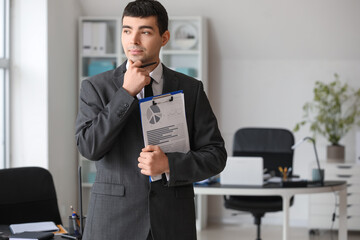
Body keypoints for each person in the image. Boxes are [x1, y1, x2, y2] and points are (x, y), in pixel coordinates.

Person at [75, 0, 227, 239]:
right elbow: (89, 147)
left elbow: (216, 155)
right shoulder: (95, 87)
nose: (133, 40)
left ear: (164, 37)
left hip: (172, 222)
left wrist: (169, 165)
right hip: (113, 222)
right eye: (127, 31)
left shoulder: (191, 89)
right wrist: (125, 94)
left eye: (144, 31)